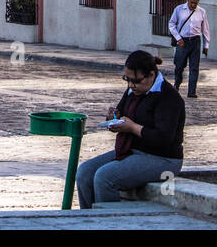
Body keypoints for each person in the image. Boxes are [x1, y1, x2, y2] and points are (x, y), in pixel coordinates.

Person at [76, 50, 185, 209]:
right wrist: (113, 118)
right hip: (132, 151)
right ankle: (90, 220)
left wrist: (133, 128)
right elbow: (121, 113)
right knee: (84, 173)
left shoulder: (168, 97)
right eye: (127, 80)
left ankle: (110, 223)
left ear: (151, 75)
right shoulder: (133, 91)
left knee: (104, 177)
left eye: (135, 81)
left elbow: (163, 138)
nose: (131, 85)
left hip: (163, 159)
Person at [168, 0, 210, 98]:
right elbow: (171, 24)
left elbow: (205, 29)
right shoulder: (179, 9)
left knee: (194, 68)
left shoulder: (202, 12)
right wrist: (178, 38)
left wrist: (206, 46)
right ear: (188, 0)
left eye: (195, 3)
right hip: (182, 41)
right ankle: (177, 84)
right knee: (179, 66)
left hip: (195, 41)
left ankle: (192, 91)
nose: (193, 5)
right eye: (191, 2)